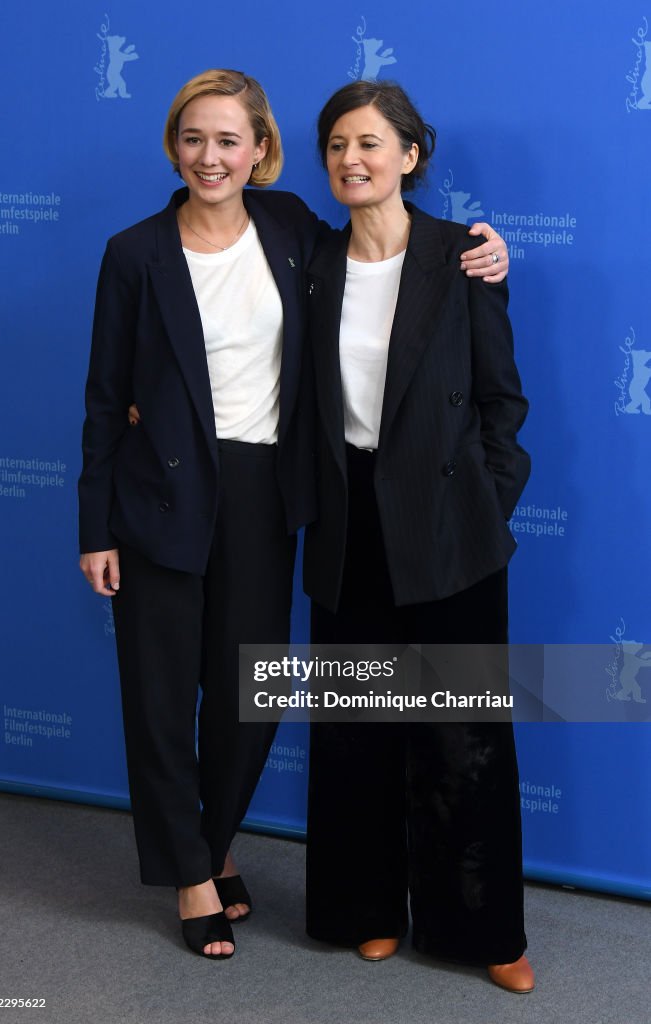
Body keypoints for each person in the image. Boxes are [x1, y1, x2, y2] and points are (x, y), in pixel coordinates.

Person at [79, 69, 509, 962]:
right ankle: (199, 875)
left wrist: (487, 251)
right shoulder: (141, 253)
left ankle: (221, 840)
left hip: (279, 497)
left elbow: (471, 361)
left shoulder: (298, 236)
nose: (210, 156)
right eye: (194, 139)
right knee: (172, 700)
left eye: (229, 140)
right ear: (174, 146)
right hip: (180, 498)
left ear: (260, 152)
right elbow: (103, 399)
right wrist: (95, 525)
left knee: (257, 696)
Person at [302, 80, 533, 994]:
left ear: (409, 155)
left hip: (450, 523)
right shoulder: (308, 262)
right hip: (347, 519)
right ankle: (365, 908)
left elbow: (500, 401)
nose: (350, 160)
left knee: (465, 734)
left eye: (368, 143)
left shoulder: (464, 256)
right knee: (355, 723)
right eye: (334, 147)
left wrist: (484, 501)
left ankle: (486, 931)